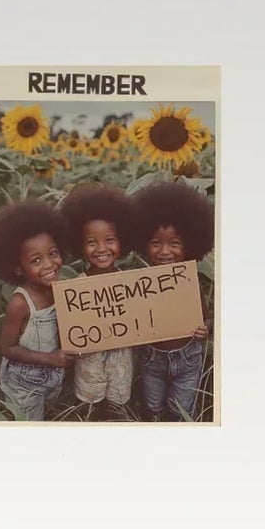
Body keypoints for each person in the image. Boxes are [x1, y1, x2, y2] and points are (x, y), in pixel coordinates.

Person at [125, 179, 214, 422]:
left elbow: (204, 315)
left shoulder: (190, 281)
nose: (165, 252)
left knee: (180, 412)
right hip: (151, 358)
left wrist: (204, 328)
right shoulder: (141, 284)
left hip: (188, 359)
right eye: (156, 243)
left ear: (190, 245)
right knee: (152, 408)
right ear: (144, 242)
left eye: (174, 244)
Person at [0, 199, 70, 422]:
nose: (49, 264)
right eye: (36, 260)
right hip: (23, 385)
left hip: (53, 376)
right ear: (18, 269)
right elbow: (7, 348)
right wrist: (49, 358)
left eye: (53, 253)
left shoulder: (59, 289)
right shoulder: (20, 303)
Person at [60, 183, 136, 420]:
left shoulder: (132, 283)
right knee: (87, 406)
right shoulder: (75, 289)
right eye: (92, 242)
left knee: (118, 406)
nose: (101, 249)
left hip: (121, 360)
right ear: (79, 246)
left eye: (110, 240)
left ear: (122, 240)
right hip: (89, 362)